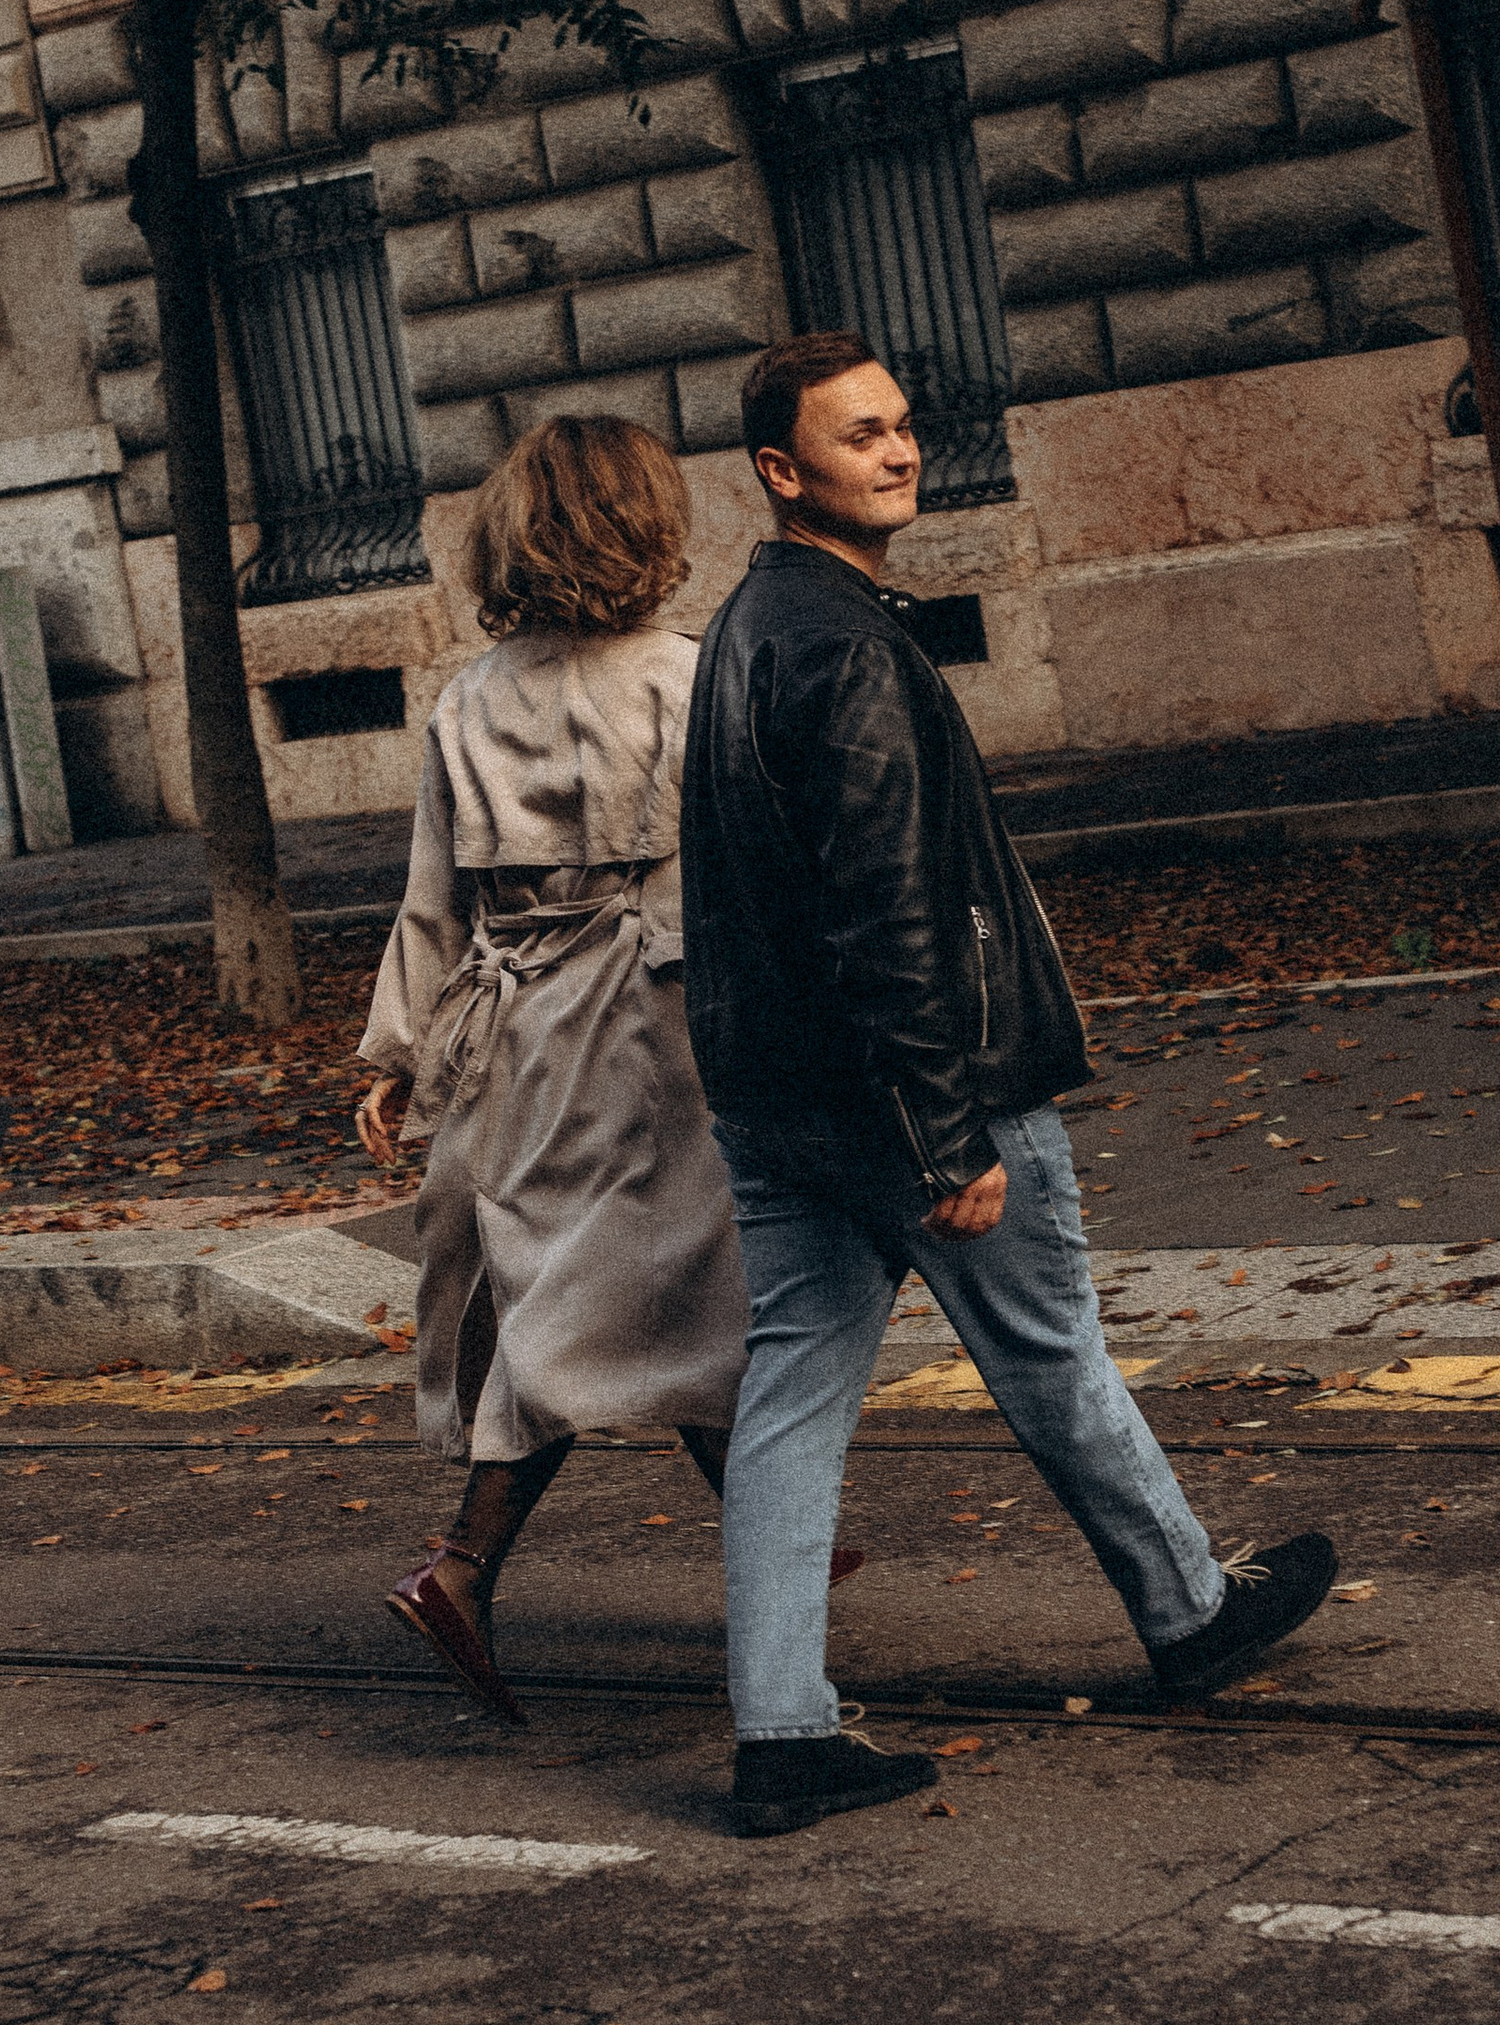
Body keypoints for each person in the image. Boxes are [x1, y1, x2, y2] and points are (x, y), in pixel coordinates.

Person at [683, 330, 1339, 1837]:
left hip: (777, 1097)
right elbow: (884, 910)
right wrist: (945, 1130)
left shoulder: (753, 627)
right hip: (909, 1092)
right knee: (1051, 1350)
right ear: (785, 471)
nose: (901, 451)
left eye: (905, 425)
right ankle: (1189, 1615)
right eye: (860, 436)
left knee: (788, 1398)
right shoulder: (843, 644)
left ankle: (780, 1731)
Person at [356, 413, 749, 1723]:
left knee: (594, 1292)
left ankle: (774, 1528)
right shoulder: (699, 680)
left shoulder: (466, 701)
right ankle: (464, 1566)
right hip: (657, 1032)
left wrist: (398, 1058)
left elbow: (428, 904)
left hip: (513, 1033)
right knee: (669, 1292)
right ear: (647, 527)